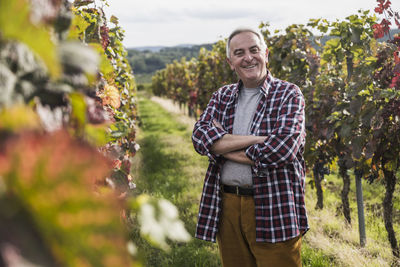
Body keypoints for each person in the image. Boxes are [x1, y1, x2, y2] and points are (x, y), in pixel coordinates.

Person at [191, 27, 309, 267]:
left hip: (273, 204)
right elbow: (200, 138)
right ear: (231, 62)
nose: (248, 57)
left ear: (266, 54)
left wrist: (222, 145)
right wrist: (259, 139)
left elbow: (282, 149)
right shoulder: (221, 96)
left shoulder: (288, 94)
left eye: (254, 50)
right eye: (239, 52)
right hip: (227, 204)